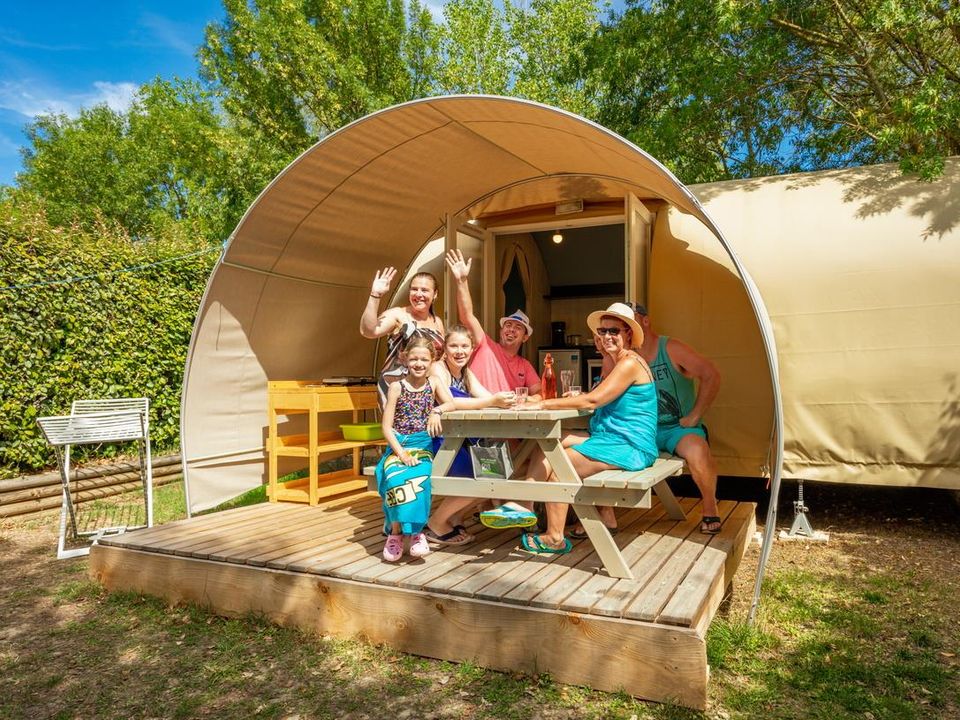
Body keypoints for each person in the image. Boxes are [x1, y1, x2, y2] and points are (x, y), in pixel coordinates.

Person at [516, 302, 658, 555]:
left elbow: (593, 401)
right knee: (550, 442)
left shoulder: (629, 363)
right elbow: (597, 396)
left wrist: (543, 403)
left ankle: (554, 538)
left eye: (614, 331)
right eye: (602, 331)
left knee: (560, 467)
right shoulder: (614, 362)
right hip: (610, 438)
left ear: (628, 333)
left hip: (630, 446)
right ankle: (524, 508)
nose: (607, 336)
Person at [444, 248, 541, 528]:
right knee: (505, 457)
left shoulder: (525, 364)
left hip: (510, 429)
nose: (511, 330)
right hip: (480, 425)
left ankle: (508, 505)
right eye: (507, 325)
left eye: (517, 327)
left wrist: (532, 402)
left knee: (535, 453)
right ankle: (501, 506)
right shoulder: (485, 345)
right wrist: (462, 280)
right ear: (501, 331)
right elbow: (466, 315)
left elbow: (539, 392)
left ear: (525, 336)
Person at [630, 303, 722, 534]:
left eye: (631, 321)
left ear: (645, 321)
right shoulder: (626, 356)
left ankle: (710, 507)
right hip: (643, 429)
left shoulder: (670, 347)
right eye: (623, 325)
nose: (628, 329)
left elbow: (710, 374)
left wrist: (695, 415)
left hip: (677, 429)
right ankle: (600, 517)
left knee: (697, 450)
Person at [423, 325, 516, 545]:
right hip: (439, 441)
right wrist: (493, 401)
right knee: (485, 477)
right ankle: (436, 523)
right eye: (453, 345)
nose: (459, 351)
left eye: (464, 346)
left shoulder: (466, 372)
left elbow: (486, 396)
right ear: (444, 348)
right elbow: (450, 402)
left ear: (472, 349)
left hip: (461, 440)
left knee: (499, 471)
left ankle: (455, 517)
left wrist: (506, 402)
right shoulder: (438, 369)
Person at [376, 336, 446, 562]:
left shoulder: (433, 383)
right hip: (400, 446)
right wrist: (401, 454)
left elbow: (451, 402)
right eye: (414, 358)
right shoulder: (396, 387)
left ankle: (416, 532)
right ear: (404, 359)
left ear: (432, 360)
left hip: (422, 444)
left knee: (420, 478)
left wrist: (437, 411)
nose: (418, 363)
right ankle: (395, 534)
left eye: (424, 359)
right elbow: (386, 428)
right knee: (394, 476)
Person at [360, 266, 444, 408]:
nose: (418, 294)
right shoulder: (398, 314)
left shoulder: (437, 322)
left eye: (424, 290)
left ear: (435, 294)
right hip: (397, 388)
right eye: (414, 289)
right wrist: (375, 295)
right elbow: (368, 331)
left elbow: (440, 358)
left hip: (428, 390)